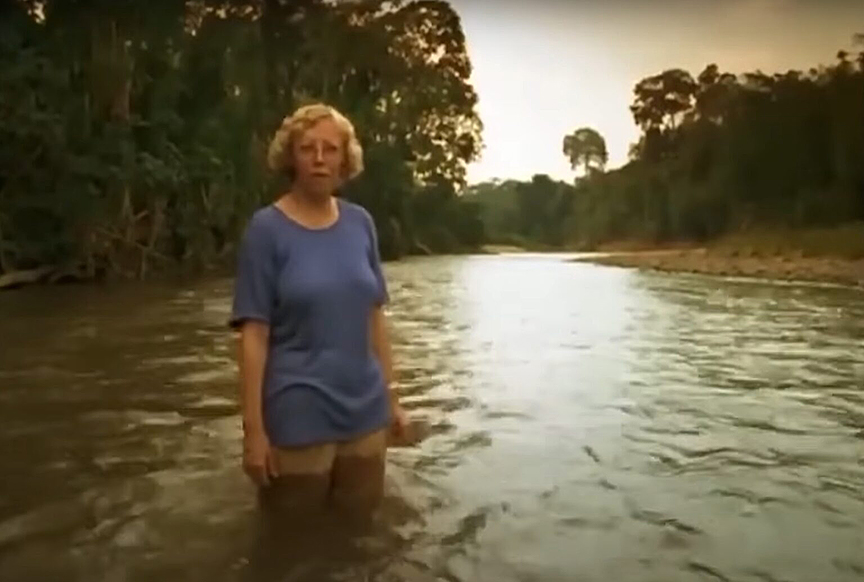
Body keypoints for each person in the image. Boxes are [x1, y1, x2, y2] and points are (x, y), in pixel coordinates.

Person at [228, 103, 409, 520]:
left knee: (362, 535)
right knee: (294, 548)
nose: (320, 158)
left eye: (331, 148)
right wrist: (254, 433)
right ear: (290, 157)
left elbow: (373, 319)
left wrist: (392, 399)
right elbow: (253, 336)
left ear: (346, 159)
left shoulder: (361, 224)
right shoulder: (266, 230)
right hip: (297, 413)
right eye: (308, 148)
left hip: (365, 410)